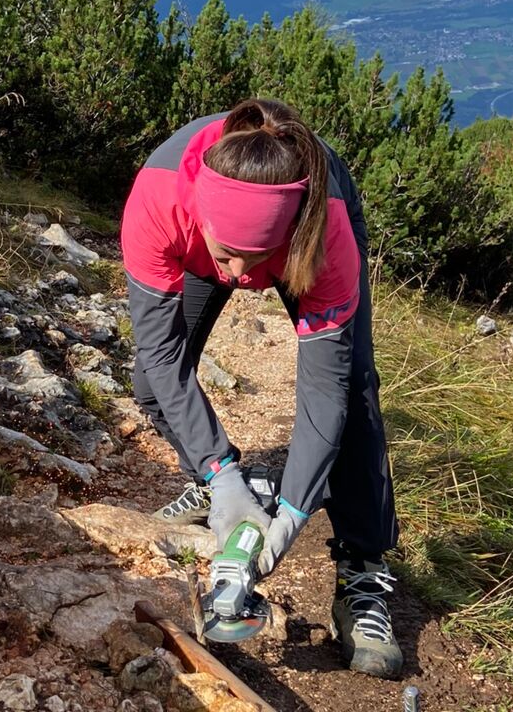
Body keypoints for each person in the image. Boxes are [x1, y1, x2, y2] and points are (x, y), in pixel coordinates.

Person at [120, 98, 402, 678]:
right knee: (150, 383)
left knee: (353, 391)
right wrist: (219, 471)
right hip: (207, 232)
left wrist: (296, 509)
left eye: (256, 262)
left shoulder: (326, 236)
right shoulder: (158, 201)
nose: (240, 279)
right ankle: (218, 485)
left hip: (307, 239)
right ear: (201, 221)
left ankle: (362, 571)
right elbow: (163, 354)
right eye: (227, 258)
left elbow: (325, 394)